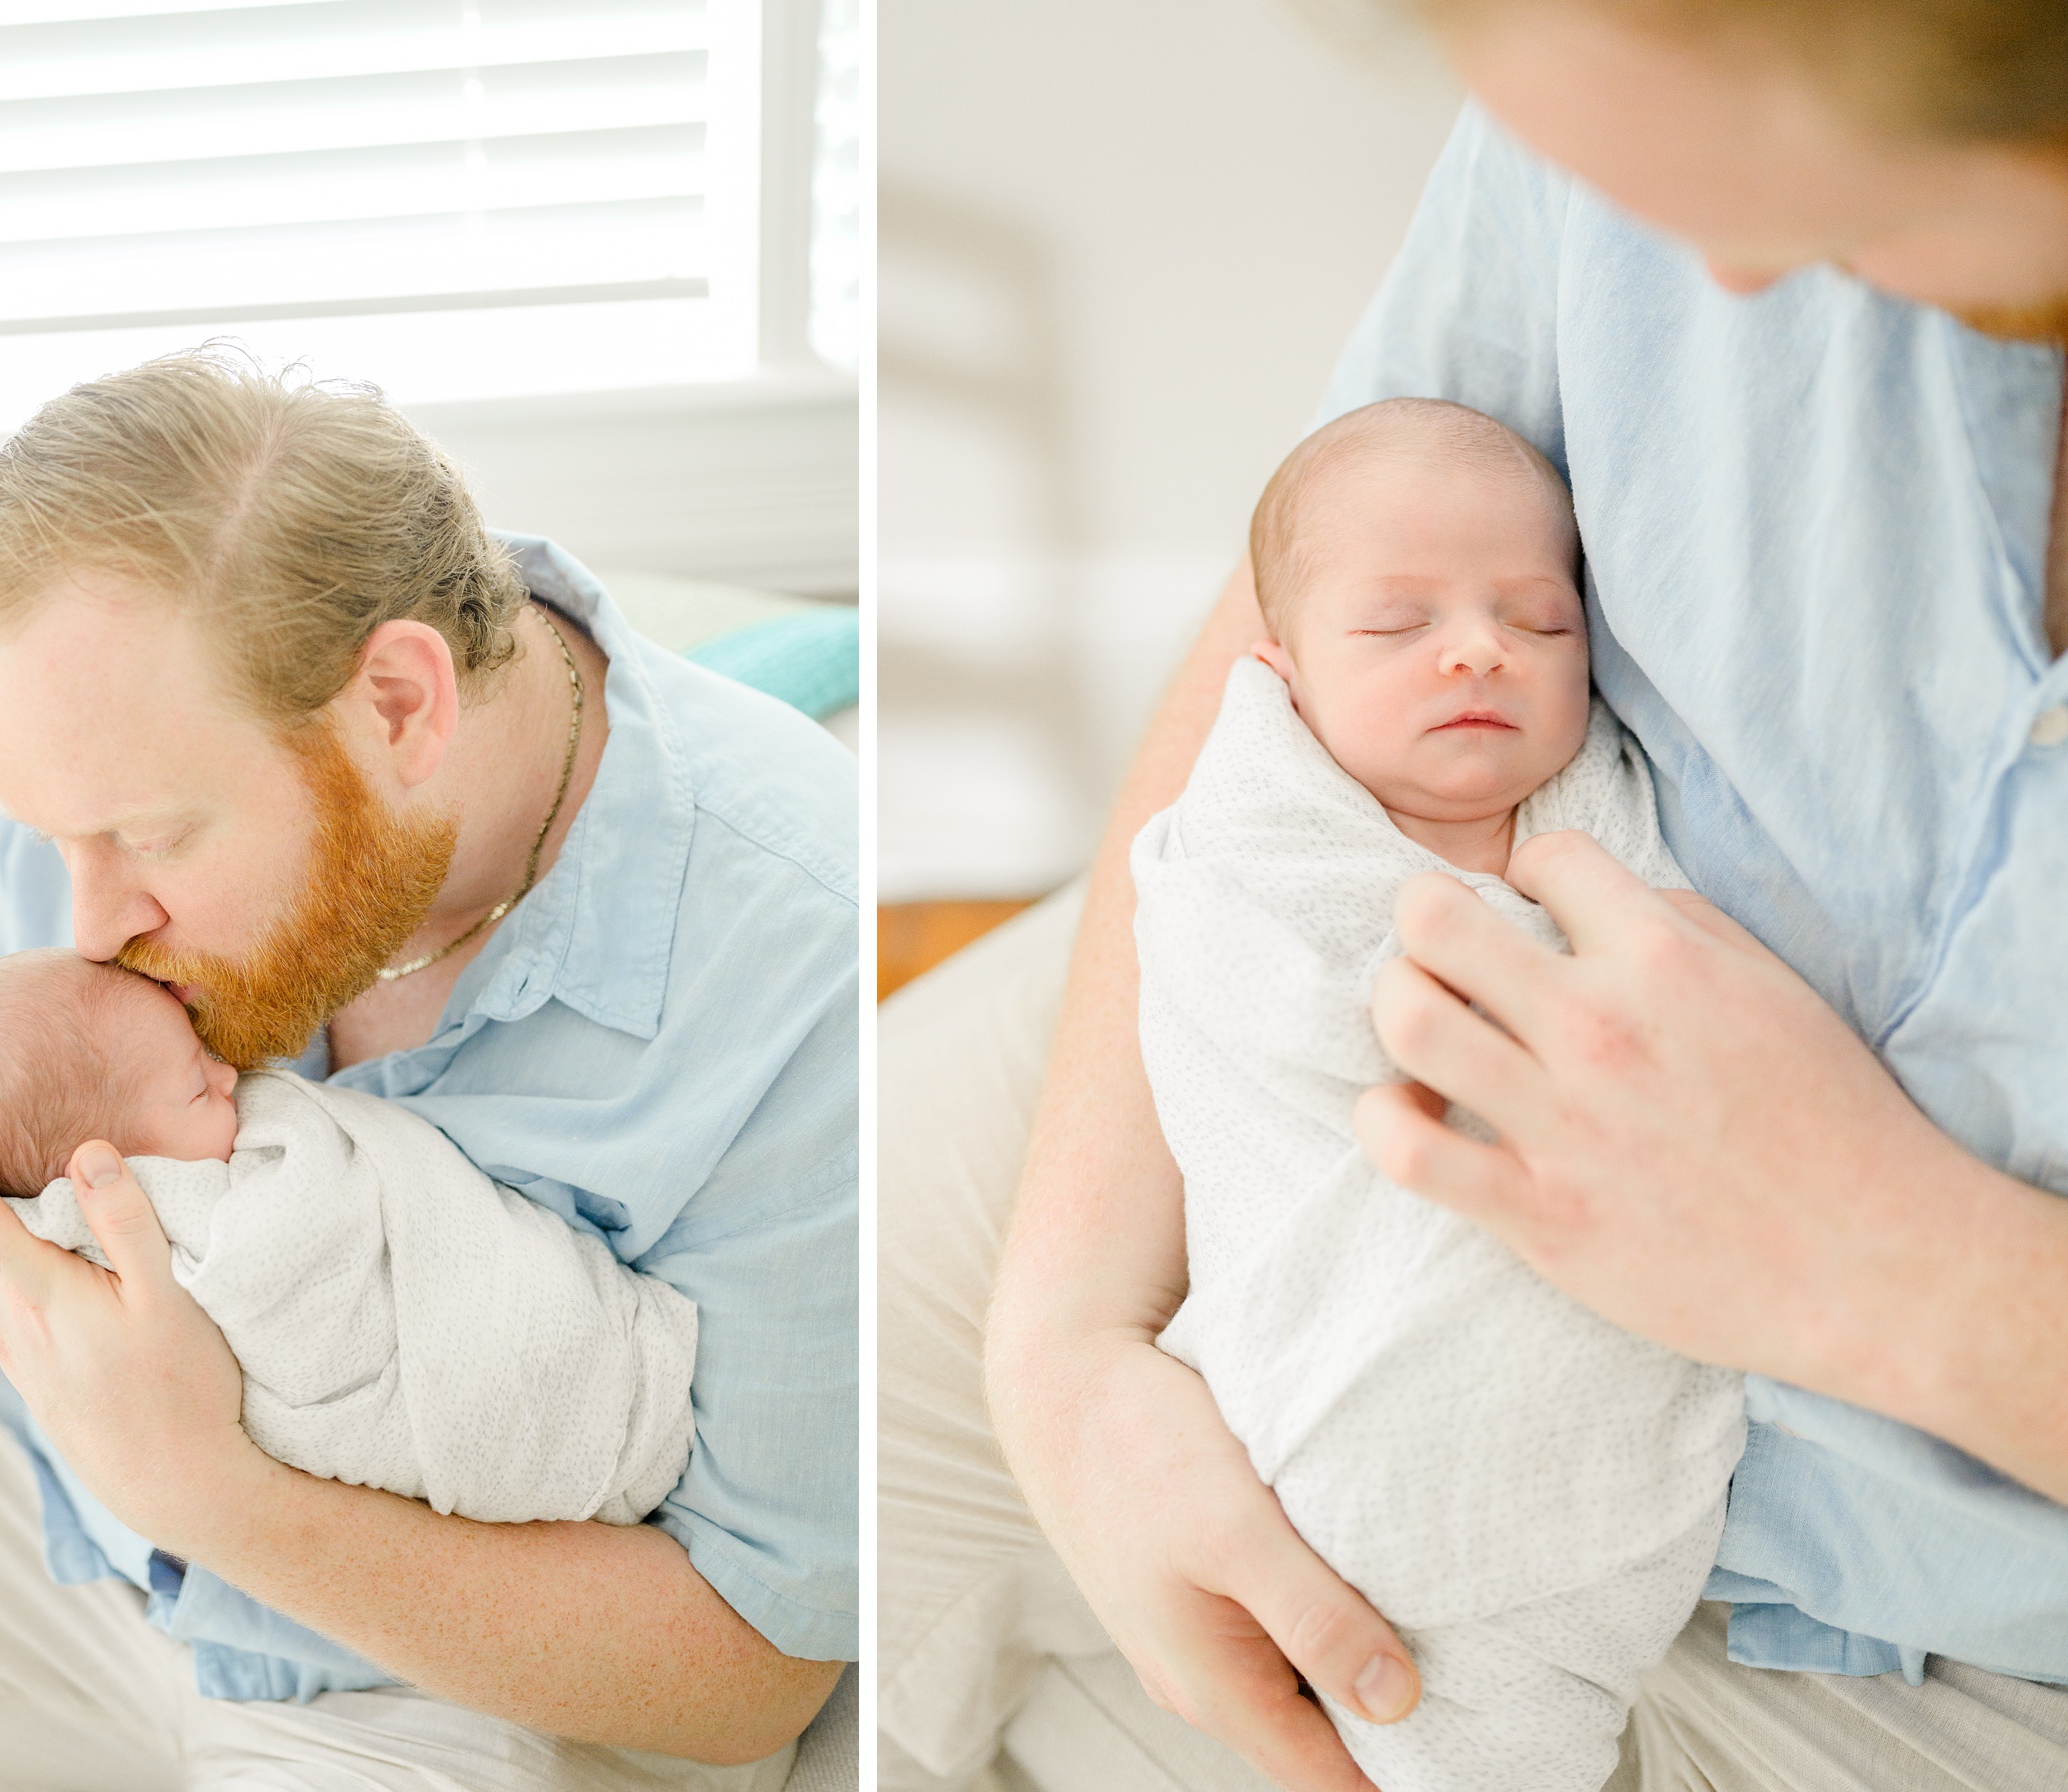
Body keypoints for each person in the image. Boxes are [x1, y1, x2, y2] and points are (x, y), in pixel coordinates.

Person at [880, 3, 2068, 1789]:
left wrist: (1895, 1269)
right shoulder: (1625, 70)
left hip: (1955, 1604)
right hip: (1301, 1005)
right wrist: (1063, 1339)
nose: (1727, 279)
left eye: (1820, 201)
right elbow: (1320, 565)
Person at [0, 351, 856, 1791]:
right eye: (54, 836)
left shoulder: (799, 953)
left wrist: (210, 1491)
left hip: (450, 1684)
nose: (90, 923)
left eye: (156, 840)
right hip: (51, 1508)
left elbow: (755, 1672)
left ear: (402, 709)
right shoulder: (94, 792)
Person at [1132, 397, 1742, 1789]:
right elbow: (1264, 989)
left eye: (1537, 622)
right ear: (1281, 673)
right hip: (1338, 1371)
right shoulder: (1257, 845)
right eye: (1397, 627)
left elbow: (1695, 1016)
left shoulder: (1616, 814)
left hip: (1571, 1434)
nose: (1477, 647)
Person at [0, 948, 698, 1532]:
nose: (231, 1077)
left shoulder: (229, 1145)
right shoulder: (212, 1227)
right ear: (107, 1168)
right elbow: (291, 1286)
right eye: (195, 1084)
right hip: (83, 1523)